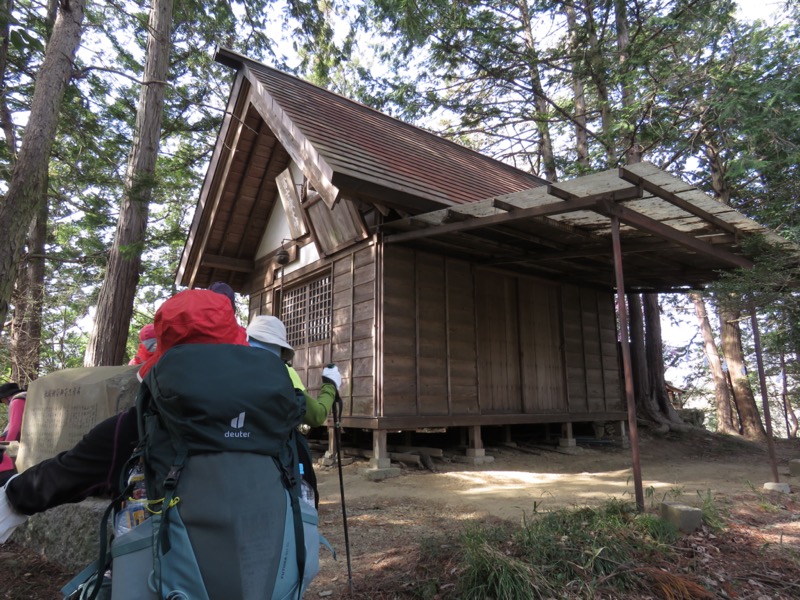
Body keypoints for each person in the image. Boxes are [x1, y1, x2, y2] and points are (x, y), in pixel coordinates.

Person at [0, 289, 253, 543]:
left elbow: (60, 475)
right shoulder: (268, 420)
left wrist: (11, 494)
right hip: (267, 573)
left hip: (166, 578)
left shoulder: (135, 428)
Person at [246, 315, 341, 427]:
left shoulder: (234, 367)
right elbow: (316, 415)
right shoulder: (283, 371)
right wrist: (330, 385)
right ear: (281, 349)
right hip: (269, 442)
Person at [0, 383, 25, 486]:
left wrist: (7, 444)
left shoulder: (17, 401)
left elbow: (15, 426)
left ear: (6, 397)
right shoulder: (25, 398)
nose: (4, 403)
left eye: (2, 401)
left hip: (19, 440)